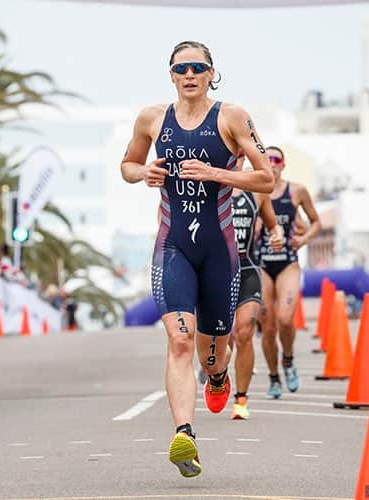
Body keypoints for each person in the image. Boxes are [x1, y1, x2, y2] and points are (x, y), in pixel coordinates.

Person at [120, 40, 274, 478]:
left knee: (212, 354)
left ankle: (219, 377)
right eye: (181, 68)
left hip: (219, 252)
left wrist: (216, 173)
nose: (190, 75)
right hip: (173, 247)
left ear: (212, 74)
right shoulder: (152, 118)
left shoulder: (233, 117)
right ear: (171, 74)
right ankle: (184, 433)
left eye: (198, 68)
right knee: (179, 341)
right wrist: (143, 172)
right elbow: (127, 165)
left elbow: (266, 178)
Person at [256, 146, 321, 400]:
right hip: (261, 263)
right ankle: (274, 377)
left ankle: (288, 359)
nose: (271, 163)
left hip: (287, 263)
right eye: (266, 159)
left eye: (275, 160)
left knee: (285, 319)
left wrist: (303, 239)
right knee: (267, 325)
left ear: (283, 165)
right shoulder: (254, 191)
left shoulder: (296, 191)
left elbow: (316, 222)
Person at [227, 153, 283, 420]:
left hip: (247, 270)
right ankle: (217, 376)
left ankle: (241, 400)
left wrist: (276, 236)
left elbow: (273, 225)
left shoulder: (257, 191)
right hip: (216, 274)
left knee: (244, 332)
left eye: (240, 152)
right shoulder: (211, 187)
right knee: (221, 343)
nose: (236, 157)